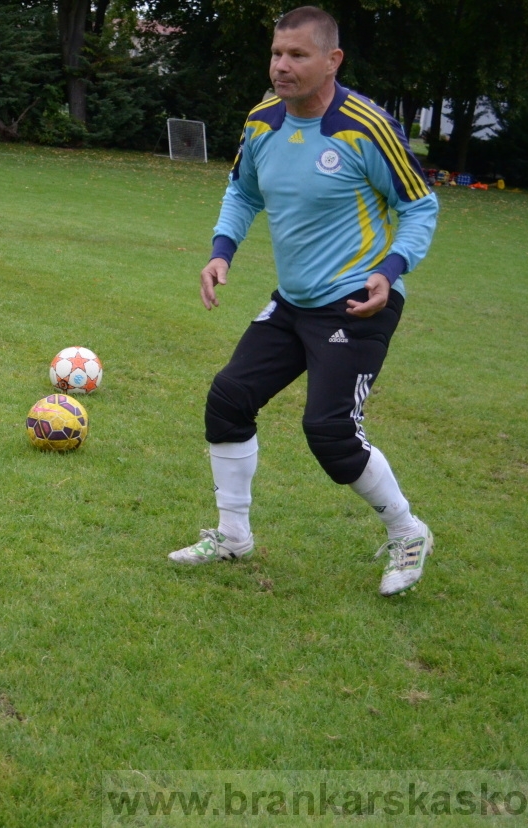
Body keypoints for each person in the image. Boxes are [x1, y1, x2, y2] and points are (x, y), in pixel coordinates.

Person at [167, 6, 439, 598]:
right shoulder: (262, 122)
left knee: (329, 429)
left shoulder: (366, 127)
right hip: (294, 303)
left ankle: (407, 531)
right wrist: (221, 252)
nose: (281, 66)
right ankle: (233, 536)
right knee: (228, 400)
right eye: (276, 53)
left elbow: (420, 206)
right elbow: (242, 192)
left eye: (297, 55)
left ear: (332, 60)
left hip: (357, 301)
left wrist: (390, 270)